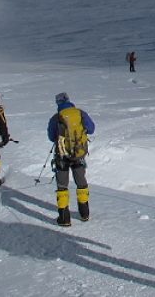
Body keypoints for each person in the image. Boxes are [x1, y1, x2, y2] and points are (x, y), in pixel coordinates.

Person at [48, 92, 96, 226]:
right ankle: (84, 213)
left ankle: (64, 218)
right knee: (81, 183)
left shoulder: (56, 118)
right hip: (79, 153)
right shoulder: (80, 113)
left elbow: (51, 137)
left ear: (57, 103)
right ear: (69, 100)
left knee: (62, 186)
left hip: (62, 155)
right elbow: (91, 129)